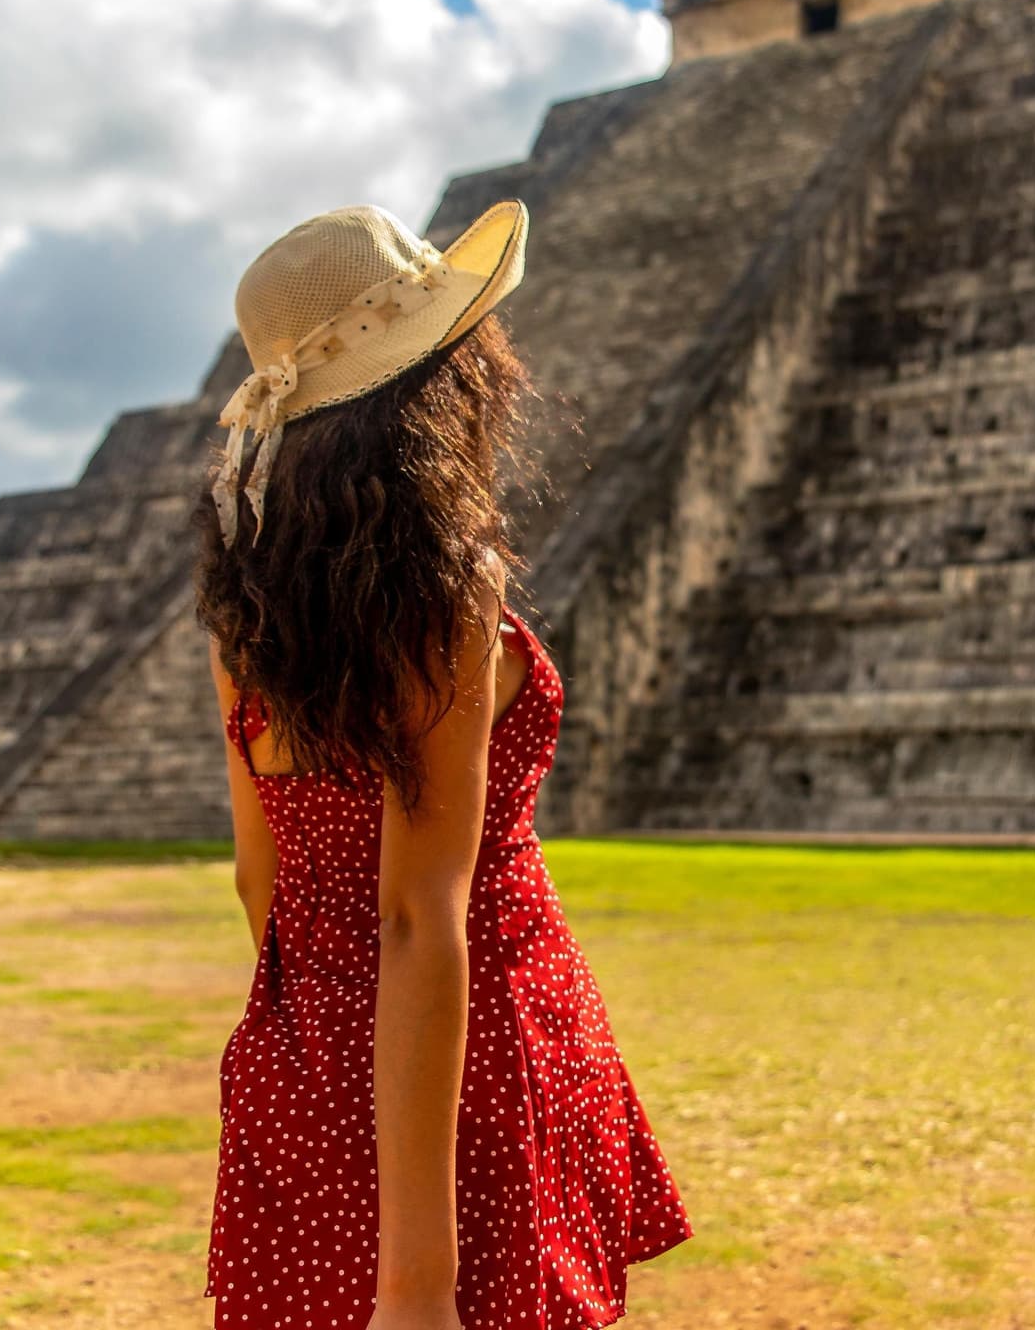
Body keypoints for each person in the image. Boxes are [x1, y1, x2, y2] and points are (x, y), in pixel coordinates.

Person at [193, 200, 694, 1329]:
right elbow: (422, 913)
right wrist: (417, 1276)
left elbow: (255, 876)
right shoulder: (442, 595)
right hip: (469, 1052)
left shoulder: (245, 603)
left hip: (303, 1041)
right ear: (438, 375)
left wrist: (319, 1059)